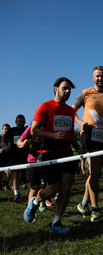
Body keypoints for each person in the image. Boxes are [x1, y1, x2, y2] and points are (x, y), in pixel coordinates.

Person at [23, 77, 83, 233]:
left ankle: (56, 223)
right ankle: (35, 202)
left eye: (69, 89)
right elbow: (34, 130)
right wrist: (54, 136)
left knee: (67, 185)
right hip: (49, 153)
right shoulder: (45, 106)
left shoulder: (70, 110)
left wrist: (77, 146)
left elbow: (71, 133)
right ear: (55, 88)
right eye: (65, 88)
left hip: (67, 152)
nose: (68, 91)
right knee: (54, 189)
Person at [72, 66, 103, 222]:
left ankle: (83, 203)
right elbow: (72, 111)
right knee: (95, 173)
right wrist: (81, 122)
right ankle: (94, 210)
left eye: (102, 76)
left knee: (96, 173)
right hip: (88, 135)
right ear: (93, 78)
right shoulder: (85, 93)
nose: (100, 78)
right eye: (97, 76)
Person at [17, 124, 47, 212]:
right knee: (34, 188)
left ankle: (40, 197)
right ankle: (30, 211)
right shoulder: (31, 127)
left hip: (48, 159)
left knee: (51, 188)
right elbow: (19, 142)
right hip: (33, 160)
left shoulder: (51, 126)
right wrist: (22, 144)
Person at [3, 115, 29, 202]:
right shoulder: (11, 130)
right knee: (16, 173)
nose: (21, 123)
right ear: (16, 122)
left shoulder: (26, 130)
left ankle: (15, 186)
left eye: (22, 121)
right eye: (19, 121)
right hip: (14, 155)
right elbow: (4, 137)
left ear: (25, 122)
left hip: (25, 154)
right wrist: (6, 146)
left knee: (23, 174)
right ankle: (17, 193)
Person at [0, 124, 11, 190]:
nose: (7, 130)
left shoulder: (10, 137)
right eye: (5, 129)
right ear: (2, 129)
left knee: (10, 170)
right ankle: (0, 184)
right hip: (1, 156)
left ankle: (6, 183)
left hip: (9, 155)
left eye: (8, 129)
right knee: (1, 171)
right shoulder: (0, 136)